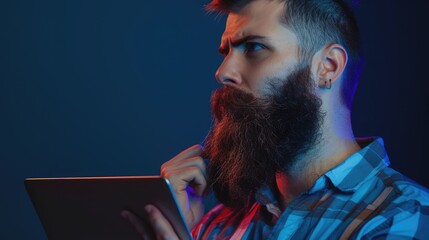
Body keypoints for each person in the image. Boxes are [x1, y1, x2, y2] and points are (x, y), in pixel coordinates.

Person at [122, 0, 429, 239]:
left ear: (328, 67)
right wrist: (176, 225)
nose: (223, 72)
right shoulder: (214, 227)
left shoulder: (404, 217)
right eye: (225, 51)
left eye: (254, 47)